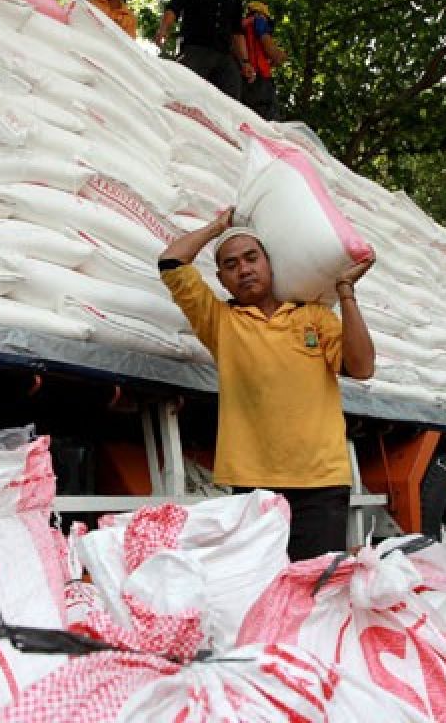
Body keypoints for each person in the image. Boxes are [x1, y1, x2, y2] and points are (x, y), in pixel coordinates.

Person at [158, 209, 375, 560]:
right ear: (222, 279)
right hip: (253, 485)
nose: (244, 269)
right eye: (231, 265)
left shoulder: (313, 316)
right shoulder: (221, 322)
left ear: (270, 263)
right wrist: (218, 227)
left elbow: (362, 367)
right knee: (259, 591)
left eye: (251, 258)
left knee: (315, 593)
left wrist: (346, 291)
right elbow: (171, 262)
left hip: (320, 482)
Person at [153, 0, 255, 99]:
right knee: (185, 97)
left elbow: (237, 32)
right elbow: (174, 8)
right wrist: (163, 29)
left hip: (224, 58)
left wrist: (245, 62)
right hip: (195, 51)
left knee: (230, 102)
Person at [240, 0, 287, 120]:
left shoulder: (241, 25)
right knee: (269, 122)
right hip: (260, 80)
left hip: (242, 78)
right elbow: (272, 52)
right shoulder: (259, 22)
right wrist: (280, 56)